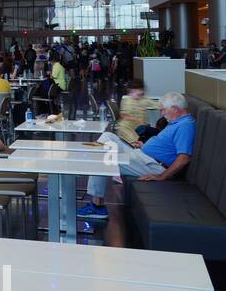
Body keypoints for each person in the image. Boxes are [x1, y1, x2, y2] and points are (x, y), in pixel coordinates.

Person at [78, 91, 196, 220]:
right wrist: (144, 145)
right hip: (142, 155)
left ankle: (97, 206)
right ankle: (91, 166)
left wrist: (162, 176)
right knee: (108, 136)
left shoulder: (185, 126)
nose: (162, 114)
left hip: (153, 165)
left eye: (163, 110)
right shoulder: (177, 122)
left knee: (101, 158)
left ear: (174, 109)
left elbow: (184, 158)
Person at [113, 78, 159, 145]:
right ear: (130, 91)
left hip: (140, 125)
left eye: (141, 90)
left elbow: (156, 105)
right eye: (136, 91)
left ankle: (137, 146)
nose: (139, 92)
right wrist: (136, 119)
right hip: (127, 125)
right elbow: (123, 115)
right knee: (123, 129)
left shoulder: (144, 100)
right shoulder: (126, 100)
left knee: (140, 134)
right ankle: (134, 146)